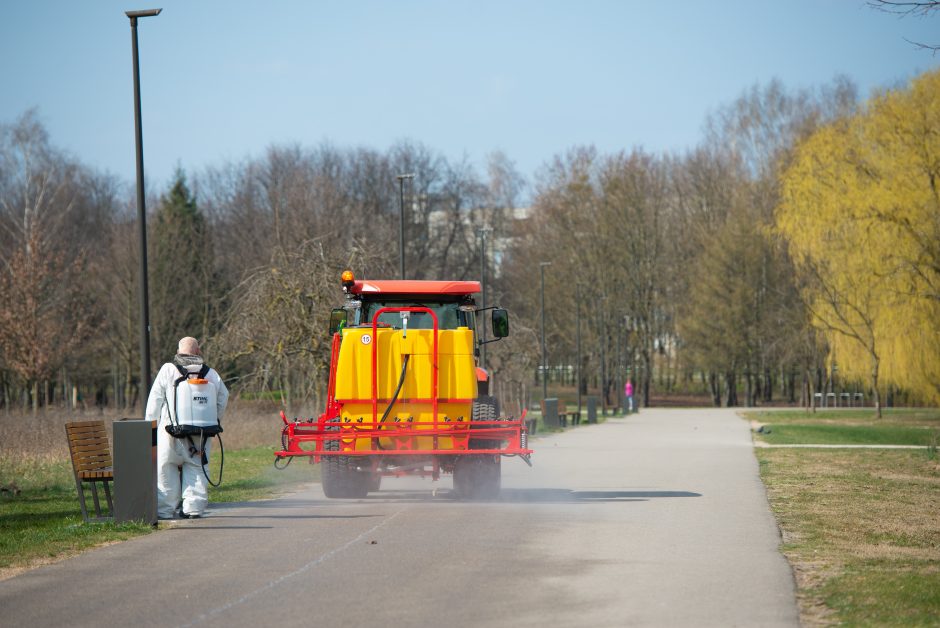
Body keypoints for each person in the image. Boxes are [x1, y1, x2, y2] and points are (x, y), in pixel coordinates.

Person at [146, 337, 229, 519]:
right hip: (200, 434)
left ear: (178, 352)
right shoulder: (210, 373)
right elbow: (223, 396)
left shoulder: (168, 370)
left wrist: (150, 427)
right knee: (196, 468)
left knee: (166, 469)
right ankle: (193, 509)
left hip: (170, 433)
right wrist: (213, 420)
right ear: (198, 352)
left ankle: (165, 511)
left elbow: (154, 402)